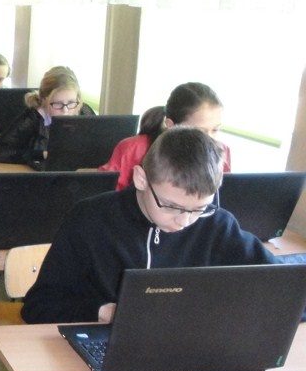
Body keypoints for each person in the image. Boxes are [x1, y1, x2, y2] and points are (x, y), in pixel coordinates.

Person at [22, 126, 276, 324]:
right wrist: (102, 311)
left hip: (190, 346)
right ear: (141, 179)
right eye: (171, 206)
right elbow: (39, 306)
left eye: (199, 209)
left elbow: (280, 285)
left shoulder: (218, 225)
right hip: (106, 342)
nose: (184, 221)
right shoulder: (90, 219)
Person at [99, 81, 230, 190]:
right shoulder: (133, 149)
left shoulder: (221, 152)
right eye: (200, 131)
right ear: (171, 125)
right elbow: (106, 194)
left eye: (215, 130)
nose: (209, 139)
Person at [0, 65, 83, 169]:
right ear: (44, 99)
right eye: (58, 103)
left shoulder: (84, 113)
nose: (65, 110)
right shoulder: (31, 119)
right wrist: (41, 154)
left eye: (71, 102)